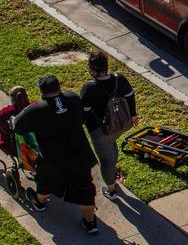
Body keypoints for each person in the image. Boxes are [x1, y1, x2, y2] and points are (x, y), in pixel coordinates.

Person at [14, 75, 99, 234]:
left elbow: (18, 126)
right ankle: (90, 223)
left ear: (42, 93)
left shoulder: (37, 110)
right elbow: (81, 117)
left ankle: (40, 203)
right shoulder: (73, 98)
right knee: (85, 188)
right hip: (79, 155)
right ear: (59, 87)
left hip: (53, 159)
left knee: (46, 181)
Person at [80, 51, 138, 200]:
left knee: (105, 160)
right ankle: (113, 173)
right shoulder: (120, 79)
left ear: (92, 69)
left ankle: (111, 190)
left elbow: (84, 112)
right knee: (111, 145)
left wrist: (91, 129)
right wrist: (133, 114)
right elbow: (130, 96)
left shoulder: (89, 87)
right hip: (122, 124)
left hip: (101, 131)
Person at [0, 86, 31, 156]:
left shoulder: (8, 111)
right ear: (26, 96)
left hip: (17, 148)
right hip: (36, 140)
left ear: (12, 100)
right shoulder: (34, 105)